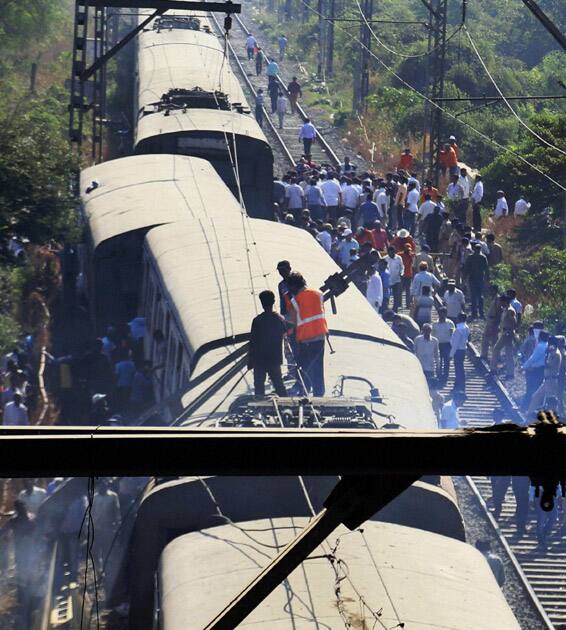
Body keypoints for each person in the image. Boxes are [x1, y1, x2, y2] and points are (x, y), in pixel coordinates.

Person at [286, 272, 328, 397]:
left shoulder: (295, 300)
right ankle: (319, 394)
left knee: (305, 368)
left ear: (294, 286)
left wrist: (282, 318)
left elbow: (292, 320)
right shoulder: (319, 294)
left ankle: (304, 392)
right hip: (320, 336)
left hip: (306, 338)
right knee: (318, 368)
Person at [248, 290, 288, 398]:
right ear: (274, 301)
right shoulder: (279, 319)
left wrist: (250, 361)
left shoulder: (257, 320)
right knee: (279, 385)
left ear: (261, 303)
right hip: (274, 359)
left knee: (259, 386)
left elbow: (252, 342)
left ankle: (259, 409)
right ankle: (287, 405)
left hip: (259, 360)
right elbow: (286, 332)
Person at [91, 479, 122, 575]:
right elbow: (91, 514)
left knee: (107, 550)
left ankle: (106, 569)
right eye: (100, 485)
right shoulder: (94, 498)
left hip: (108, 528)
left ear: (107, 486)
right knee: (96, 551)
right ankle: (98, 570)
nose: (102, 487)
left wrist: (117, 526)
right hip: (96, 529)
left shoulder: (113, 497)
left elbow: (117, 513)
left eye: (104, 485)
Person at [527, 336, 562, 418]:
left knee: (551, 401)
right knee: (535, 397)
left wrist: (545, 357)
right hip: (547, 380)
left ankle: (554, 418)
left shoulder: (556, 354)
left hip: (552, 380)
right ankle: (529, 416)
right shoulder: (552, 353)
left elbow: (548, 365)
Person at [490, 295, 517, 378]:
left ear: (505, 301)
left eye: (501, 301)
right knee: (509, 353)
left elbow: (514, 322)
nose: (500, 303)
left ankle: (493, 369)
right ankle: (510, 373)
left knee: (496, 349)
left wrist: (510, 331)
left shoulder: (510, 311)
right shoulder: (505, 310)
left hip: (507, 333)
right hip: (505, 332)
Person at [463, 243, 489, 319]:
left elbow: (466, 268)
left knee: (473, 296)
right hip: (480, 279)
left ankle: (474, 313)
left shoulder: (470, 257)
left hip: (472, 278)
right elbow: (486, 269)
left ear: (474, 249)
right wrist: (487, 279)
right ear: (480, 249)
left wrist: (464, 277)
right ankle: (481, 313)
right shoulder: (483, 257)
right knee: (480, 296)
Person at [433, 307, 455, 383]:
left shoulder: (450, 323)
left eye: (443, 314)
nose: (441, 315)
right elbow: (432, 335)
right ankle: (438, 375)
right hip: (438, 344)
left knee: (446, 360)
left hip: (447, 344)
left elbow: (452, 334)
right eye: (440, 314)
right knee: (438, 360)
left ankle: (445, 375)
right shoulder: (435, 323)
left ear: (446, 314)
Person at [481, 286, 502, 361]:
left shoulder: (497, 299)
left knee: (491, 339)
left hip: (493, 322)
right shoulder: (493, 299)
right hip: (491, 320)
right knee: (489, 339)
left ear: (495, 291)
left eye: (491, 290)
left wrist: (496, 323)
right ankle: (486, 355)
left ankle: (491, 356)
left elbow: (499, 312)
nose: (490, 292)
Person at [450, 313, 470, 391]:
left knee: (458, 368)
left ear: (458, 319)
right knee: (460, 367)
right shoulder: (466, 327)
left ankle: (458, 383)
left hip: (458, 350)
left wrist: (451, 354)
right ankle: (461, 382)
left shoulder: (458, 330)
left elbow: (455, 344)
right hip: (463, 349)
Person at [385, 245, 403, 311]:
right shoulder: (385, 258)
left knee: (396, 295)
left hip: (396, 280)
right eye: (389, 252)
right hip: (388, 280)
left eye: (392, 252)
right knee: (387, 295)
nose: (390, 254)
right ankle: (387, 309)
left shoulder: (399, 258)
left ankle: (395, 309)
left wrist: (401, 273)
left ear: (394, 252)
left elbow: (402, 267)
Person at [400, 243, 415, 308]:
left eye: (409, 250)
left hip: (408, 275)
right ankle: (399, 304)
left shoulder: (411, 255)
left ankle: (408, 304)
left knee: (408, 290)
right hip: (402, 275)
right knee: (400, 290)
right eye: (407, 249)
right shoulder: (400, 255)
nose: (408, 251)